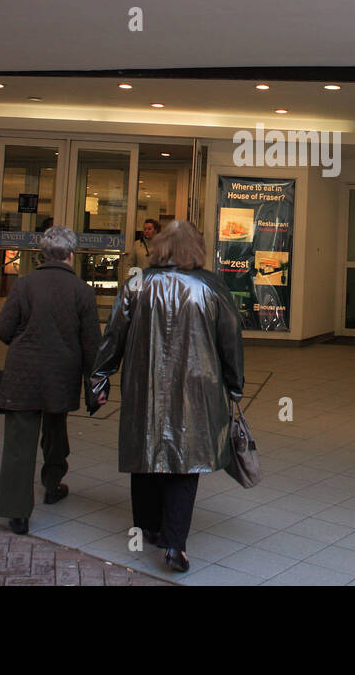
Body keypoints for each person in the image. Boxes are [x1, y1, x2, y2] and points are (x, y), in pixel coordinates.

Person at [89, 220, 244, 573]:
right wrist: (235, 385)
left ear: (159, 247)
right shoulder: (211, 287)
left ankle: (149, 525)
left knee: (146, 449)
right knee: (185, 464)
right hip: (197, 389)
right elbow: (231, 341)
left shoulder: (137, 284)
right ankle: (175, 544)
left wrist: (101, 375)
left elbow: (114, 335)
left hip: (146, 385)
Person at [0, 226, 102, 536]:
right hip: (61, 375)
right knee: (56, 432)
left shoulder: (24, 284)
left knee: (18, 442)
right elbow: (92, 344)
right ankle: (52, 485)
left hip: (22, 374)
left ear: (43, 253)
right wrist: (95, 383)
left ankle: (17, 513)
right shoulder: (83, 291)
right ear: (71, 254)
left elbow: (3, 329)